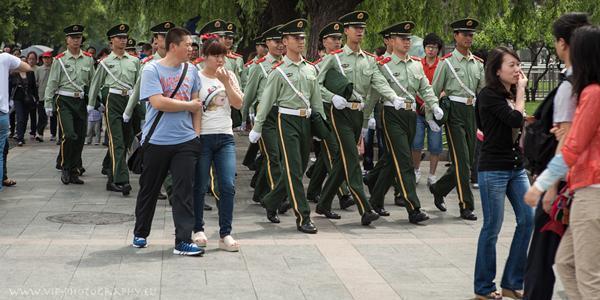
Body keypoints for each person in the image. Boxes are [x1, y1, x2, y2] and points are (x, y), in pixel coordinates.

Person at [524, 25, 600, 300]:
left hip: (592, 193)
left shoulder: (592, 93)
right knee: (566, 264)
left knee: (589, 278)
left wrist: (541, 185)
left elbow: (573, 147)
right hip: (585, 190)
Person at [315, 11, 402, 226]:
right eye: (355, 27)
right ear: (346, 31)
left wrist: (393, 96)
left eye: (362, 27)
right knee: (353, 158)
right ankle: (365, 207)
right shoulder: (334, 58)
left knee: (344, 161)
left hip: (357, 113)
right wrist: (331, 97)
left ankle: (324, 203)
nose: (360, 31)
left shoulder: (370, 59)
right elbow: (315, 85)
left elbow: (378, 82)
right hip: (339, 113)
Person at [132, 26, 204, 256]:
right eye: (188, 45)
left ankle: (183, 240)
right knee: (149, 189)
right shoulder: (151, 69)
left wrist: (197, 135)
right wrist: (189, 106)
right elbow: (158, 102)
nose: (192, 49)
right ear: (173, 46)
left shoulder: (192, 71)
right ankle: (141, 232)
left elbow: (197, 105)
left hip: (186, 142)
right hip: (157, 141)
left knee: (184, 192)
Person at [248, 18, 325, 233]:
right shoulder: (279, 71)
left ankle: (271, 200)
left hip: (306, 121)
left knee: (297, 170)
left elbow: (316, 99)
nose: (301, 41)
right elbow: (266, 102)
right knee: (292, 168)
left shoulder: (310, 69)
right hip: (286, 121)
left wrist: (320, 126)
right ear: (285, 41)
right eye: (296, 37)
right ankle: (303, 216)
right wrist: (257, 127)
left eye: (303, 37)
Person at [363, 21, 444, 223]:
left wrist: (433, 105)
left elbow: (425, 88)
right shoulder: (382, 65)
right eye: (402, 38)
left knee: (393, 160)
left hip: (410, 115)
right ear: (391, 40)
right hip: (391, 115)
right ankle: (413, 207)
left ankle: (374, 197)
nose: (406, 42)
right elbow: (374, 92)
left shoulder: (416, 64)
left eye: (408, 38)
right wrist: (367, 119)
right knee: (405, 160)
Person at [472, 47, 534, 299]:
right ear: (497, 70)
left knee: (528, 219)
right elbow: (513, 120)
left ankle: (511, 282)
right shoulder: (488, 95)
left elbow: (516, 120)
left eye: (518, 64)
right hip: (494, 168)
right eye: (511, 65)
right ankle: (484, 288)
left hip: (516, 167)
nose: (517, 69)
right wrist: (520, 93)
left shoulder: (508, 94)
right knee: (492, 227)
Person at [428, 18, 485, 221]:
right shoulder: (447, 63)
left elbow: (483, 92)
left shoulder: (478, 63)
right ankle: (466, 205)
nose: (469, 38)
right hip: (454, 114)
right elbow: (433, 92)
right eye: (465, 34)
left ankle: (438, 189)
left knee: (466, 162)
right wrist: (431, 117)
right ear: (456, 36)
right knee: (462, 161)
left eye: (471, 34)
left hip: (471, 113)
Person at [192, 36, 243, 251]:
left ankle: (225, 233)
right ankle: (197, 228)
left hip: (225, 137)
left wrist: (226, 83)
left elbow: (238, 103)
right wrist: (195, 135)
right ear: (205, 57)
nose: (220, 60)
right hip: (203, 137)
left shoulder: (229, 75)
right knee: (200, 185)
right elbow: (193, 107)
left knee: (228, 185)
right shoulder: (196, 76)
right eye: (215, 55)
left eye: (223, 55)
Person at [305, 21, 354, 211]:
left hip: (342, 115)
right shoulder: (316, 67)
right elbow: (313, 90)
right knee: (334, 153)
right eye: (333, 39)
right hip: (324, 115)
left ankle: (314, 188)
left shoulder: (343, 62)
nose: (337, 42)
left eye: (339, 39)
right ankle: (344, 194)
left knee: (328, 154)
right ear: (324, 42)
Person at [89, 23, 141, 196]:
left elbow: (139, 84)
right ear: (112, 41)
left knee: (126, 141)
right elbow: (95, 85)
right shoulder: (105, 63)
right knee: (116, 141)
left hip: (130, 100)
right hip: (113, 100)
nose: (123, 40)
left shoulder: (134, 61)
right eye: (119, 38)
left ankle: (112, 177)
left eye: (125, 37)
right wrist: (91, 104)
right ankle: (122, 180)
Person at [44, 25, 95, 184]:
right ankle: (65, 167)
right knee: (69, 135)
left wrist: (93, 101)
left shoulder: (88, 58)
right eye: (72, 37)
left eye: (78, 37)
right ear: (67, 40)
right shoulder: (59, 60)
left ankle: (74, 171)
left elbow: (92, 83)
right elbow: (52, 82)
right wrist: (48, 102)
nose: (75, 40)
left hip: (80, 101)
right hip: (64, 100)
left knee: (79, 138)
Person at [241, 25, 285, 205]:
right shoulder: (258, 67)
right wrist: (244, 119)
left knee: (278, 156)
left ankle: (259, 192)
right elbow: (249, 95)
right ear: (267, 43)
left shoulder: (289, 63)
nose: (280, 45)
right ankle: (279, 197)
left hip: (284, 114)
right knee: (273, 156)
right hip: (265, 114)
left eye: (282, 41)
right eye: (276, 41)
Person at [412, 33, 444, 187]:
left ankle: (432, 175)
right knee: (416, 142)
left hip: (435, 111)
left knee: (435, 144)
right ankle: (416, 170)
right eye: (429, 47)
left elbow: (446, 89)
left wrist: (432, 103)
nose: (431, 50)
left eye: (435, 47)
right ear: (424, 48)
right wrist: (422, 101)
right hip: (418, 109)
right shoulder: (417, 64)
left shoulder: (443, 65)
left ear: (438, 50)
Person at [1, 52, 32, 190]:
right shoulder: (4, 58)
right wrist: (9, 67)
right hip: (1, 112)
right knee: (1, 151)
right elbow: (27, 67)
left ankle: (4, 177)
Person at [10, 63, 38, 146]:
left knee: (25, 118)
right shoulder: (14, 73)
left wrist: (36, 98)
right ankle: (20, 138)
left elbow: (33, 87)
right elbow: (10, 85)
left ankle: (21, 135)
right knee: (20, 117)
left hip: (27, 99)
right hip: (17, 98)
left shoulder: (30, 73)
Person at [35, 51, 53, 141]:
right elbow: (35, 82)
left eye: (48, 58)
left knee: (54, 116)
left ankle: (53, 134)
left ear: (51, 59)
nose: (46, 60)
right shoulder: (38, 69)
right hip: (41, 96)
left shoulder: (54, 69)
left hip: (52, 96)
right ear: (42, 59)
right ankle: (40, 133)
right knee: (42, 116)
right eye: (45, 58)